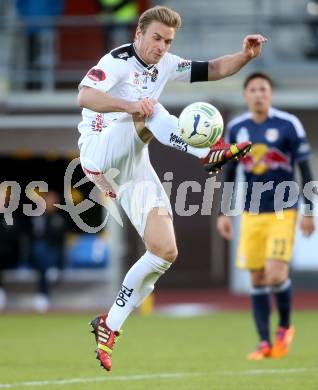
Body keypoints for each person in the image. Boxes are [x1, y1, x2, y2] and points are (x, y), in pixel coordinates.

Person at [77, 5, 266, 371]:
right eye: (156, 39)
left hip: (133, 165)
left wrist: (245, 55)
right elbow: (84, 96)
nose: (162, 47)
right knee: (149, 111)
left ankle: (109, 325)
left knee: (164, 251)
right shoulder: (116, 61)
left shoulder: (165, 63)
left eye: (168, 41)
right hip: (100, 154)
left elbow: (212, 69)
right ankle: (206, 153)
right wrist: (130, 105)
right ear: (138, 34)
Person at [217, 72, 315, 360]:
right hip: (251, 213)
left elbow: (305, 170)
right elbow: (231, 172)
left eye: (263, 89)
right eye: (253, 90)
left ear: (270, 94)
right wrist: (224, 212)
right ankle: (264, 343)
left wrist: (308, 211)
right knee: (258, 279)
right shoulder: (237, 128)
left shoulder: (288, 125)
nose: (258, 94)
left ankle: (285, 327)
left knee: (275, 274)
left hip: (284, 211)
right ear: (246, 95)